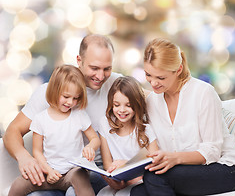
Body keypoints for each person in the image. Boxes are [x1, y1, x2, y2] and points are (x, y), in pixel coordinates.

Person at [3, 34, 122, 196]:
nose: (101, 76)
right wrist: (25, 158)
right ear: (79, 60)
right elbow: (12, 131)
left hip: (93, 169)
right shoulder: (50, 92)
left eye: (107, 69)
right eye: (94, 68)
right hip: (52, 170)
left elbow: (150, 97)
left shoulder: (117, 85)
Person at [130, 38, 235, 196]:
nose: (153, 83)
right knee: (137, 193)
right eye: (148, 75)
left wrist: (175, 158)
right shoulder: (152, 101)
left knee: (154, 178)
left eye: (161, 78)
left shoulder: (203, 93)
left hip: (224, 168)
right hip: (184, 172)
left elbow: (212, 151)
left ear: (178, 69)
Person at [8, 65, 100, 196]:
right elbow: (37, 152)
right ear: (54, 91)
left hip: (73, 171)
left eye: (75, 98)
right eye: (66, 96)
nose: (71, 102)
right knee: (19, 184)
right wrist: (48, 170)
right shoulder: (40, 119)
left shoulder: (79, 115)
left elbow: (95, 139)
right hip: (48, 171)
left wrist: (91, 147)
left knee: (81, 178)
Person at [97, 76, 159, 196]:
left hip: (139, 182)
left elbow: (154, 164)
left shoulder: (146, 130)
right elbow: (107, 164)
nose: (122, 110)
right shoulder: (104, 124)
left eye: (128, 105)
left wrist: (125, 165)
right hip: (117, 180)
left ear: (137, 105)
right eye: (116, 105)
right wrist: (113, 179)